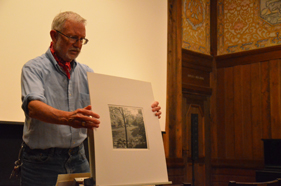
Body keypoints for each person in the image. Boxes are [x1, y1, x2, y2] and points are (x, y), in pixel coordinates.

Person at [20, 11, 162, 186]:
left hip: (78, 158)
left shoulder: (88, 73)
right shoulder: (33, 68)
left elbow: (108, 111)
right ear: (54, 35)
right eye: (73, 37)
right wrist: (68, 118)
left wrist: (147, 112)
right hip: (41, 163)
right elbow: (33, 107)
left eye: (82, 39)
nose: (78, 45)